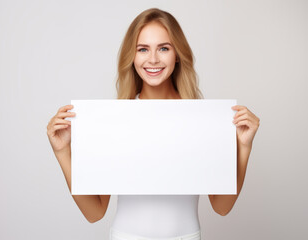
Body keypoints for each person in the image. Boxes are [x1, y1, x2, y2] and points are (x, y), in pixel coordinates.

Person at [46, 8, 260, 240]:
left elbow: (222, 207)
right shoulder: (115, 119)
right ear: (132, 56)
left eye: (164, 48)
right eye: (143, 49)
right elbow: (94, 212)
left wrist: (244, 146)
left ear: (177, 54)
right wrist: (62, 151)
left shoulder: (202, 118)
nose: (153, 59)